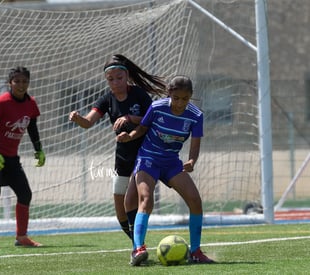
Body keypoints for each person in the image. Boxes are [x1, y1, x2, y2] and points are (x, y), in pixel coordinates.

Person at [117, 75, 215, 265]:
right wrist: (129, 136)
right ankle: (138, 249)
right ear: (169, 94)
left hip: (171, 162)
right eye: (176, 98)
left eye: (185, 99)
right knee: (146, 198)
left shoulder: (196, 116)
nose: (180, 103)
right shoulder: (157, 107)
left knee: (195, 200)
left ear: (190, 96)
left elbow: (195, 145)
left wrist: (192, 161)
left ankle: (195, 251)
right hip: (148, 159)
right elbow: (142, 129)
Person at [69, 54, 167, 241]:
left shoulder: (138, 94)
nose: (115, 82)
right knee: (120, 208)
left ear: (127, 76)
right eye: (110, 79)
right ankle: (137, 244)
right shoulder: (107, 99)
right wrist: (78, 118)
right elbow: (88, 122)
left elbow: (154, 118)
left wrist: (131, 118)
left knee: (134, 200)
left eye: (119, 78)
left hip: (145, 153)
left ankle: (139, 246)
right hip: (123, 155)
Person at [0, 66, 46, 248]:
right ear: (10, 83)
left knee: (25, 194)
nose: (21, 85)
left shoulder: (31, 104)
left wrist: (38, 149)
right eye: (17, 81)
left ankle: (21, 237)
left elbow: (32, 128)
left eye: (24, 81)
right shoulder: (1, 102)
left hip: (11, 158)